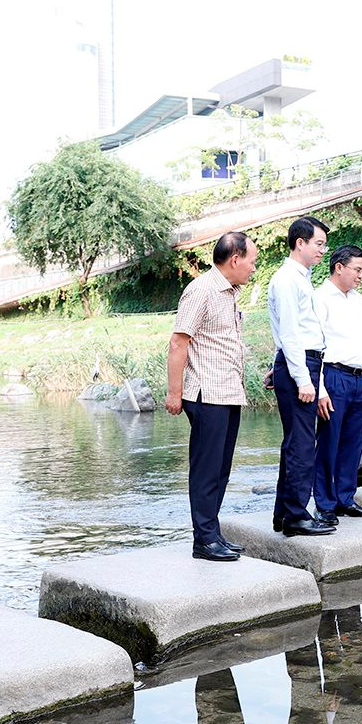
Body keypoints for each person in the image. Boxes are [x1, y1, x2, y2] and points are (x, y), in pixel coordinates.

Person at [165, 231, 257, 562]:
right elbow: (178, 342)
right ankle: (203, 540)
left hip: (228, 391)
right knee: (206, 470)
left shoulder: (230, 292)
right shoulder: (201, 290)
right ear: (235, 259)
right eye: (252, 261)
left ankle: (212, 533)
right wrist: (174, 393)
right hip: (207, 393)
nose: (253, 268)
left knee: (221, 469)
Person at [269, 217, 335, 537]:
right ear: (300, 243)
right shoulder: (287, 280)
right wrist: (303, 379)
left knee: (295, 443)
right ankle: (296, 516)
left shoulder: (300, 278)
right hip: (301, 364)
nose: (323, 250)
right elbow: (290, 333)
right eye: (319, 244)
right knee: (302, 445)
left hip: (302, 362)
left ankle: (284, 514)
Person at [311, 246, 362, 527]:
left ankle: (345, 498)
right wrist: (320, 389)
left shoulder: (358, 300)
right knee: (329, 442)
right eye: (357, 270)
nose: (361, 276)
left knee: (354, 442)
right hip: (334, 376)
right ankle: (324, 503)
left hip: (361, 378)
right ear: (339, 267)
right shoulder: (320, 298)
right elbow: (315, 346)